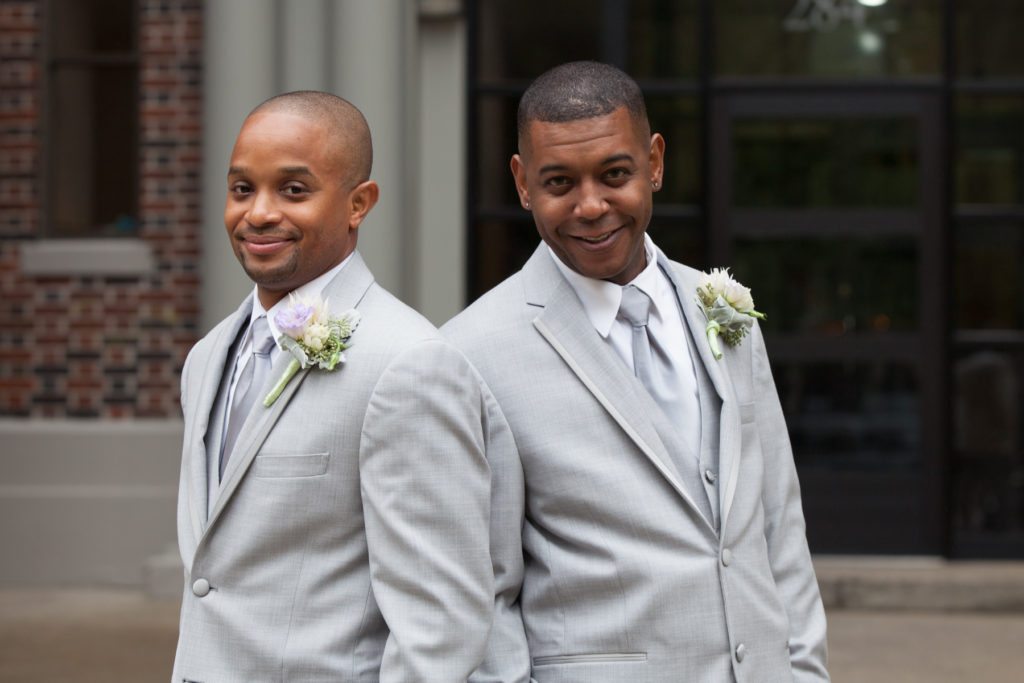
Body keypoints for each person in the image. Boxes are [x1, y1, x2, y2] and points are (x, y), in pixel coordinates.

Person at [444, 62, 830, 682]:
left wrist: (804, 673)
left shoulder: (728, 313)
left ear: (654, 162)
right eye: (559, 182)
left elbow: (778, 527)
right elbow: (481, 595)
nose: (591, 205)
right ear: (521, 183)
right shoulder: (468, 355)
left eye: (615, 174)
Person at [172, 91, 494, 682]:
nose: (259, 213)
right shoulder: (207, 357)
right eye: (242, 189)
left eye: (293, 191)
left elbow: (441, 621)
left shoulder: (408, 363)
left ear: (358, 204)